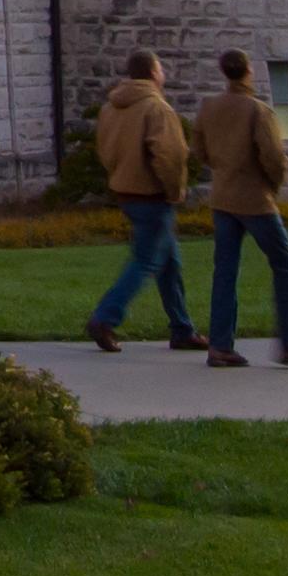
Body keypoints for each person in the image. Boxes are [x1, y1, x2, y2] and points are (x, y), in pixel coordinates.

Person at [195, 49, 288, 370]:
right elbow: (273, 157)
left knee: (225, 271)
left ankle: (220, 345)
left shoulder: (209, 108)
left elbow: (200, 151)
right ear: (248, 71)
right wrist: (273, 184)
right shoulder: (258, 111)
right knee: (285, 264)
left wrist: (223, 169)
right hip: (254, 200)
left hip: (222, 198)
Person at [84, 51, 202, 354]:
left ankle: (182, 328)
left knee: (169, 262)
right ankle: (105, 318)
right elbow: (170, 156)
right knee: (146, 261)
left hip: (126, 193)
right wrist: (175, 190)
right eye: (161, 68)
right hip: (153, 195)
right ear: (152, 72)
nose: (163, 73)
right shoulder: (156, 108)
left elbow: (104, 149)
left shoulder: (111, 107)